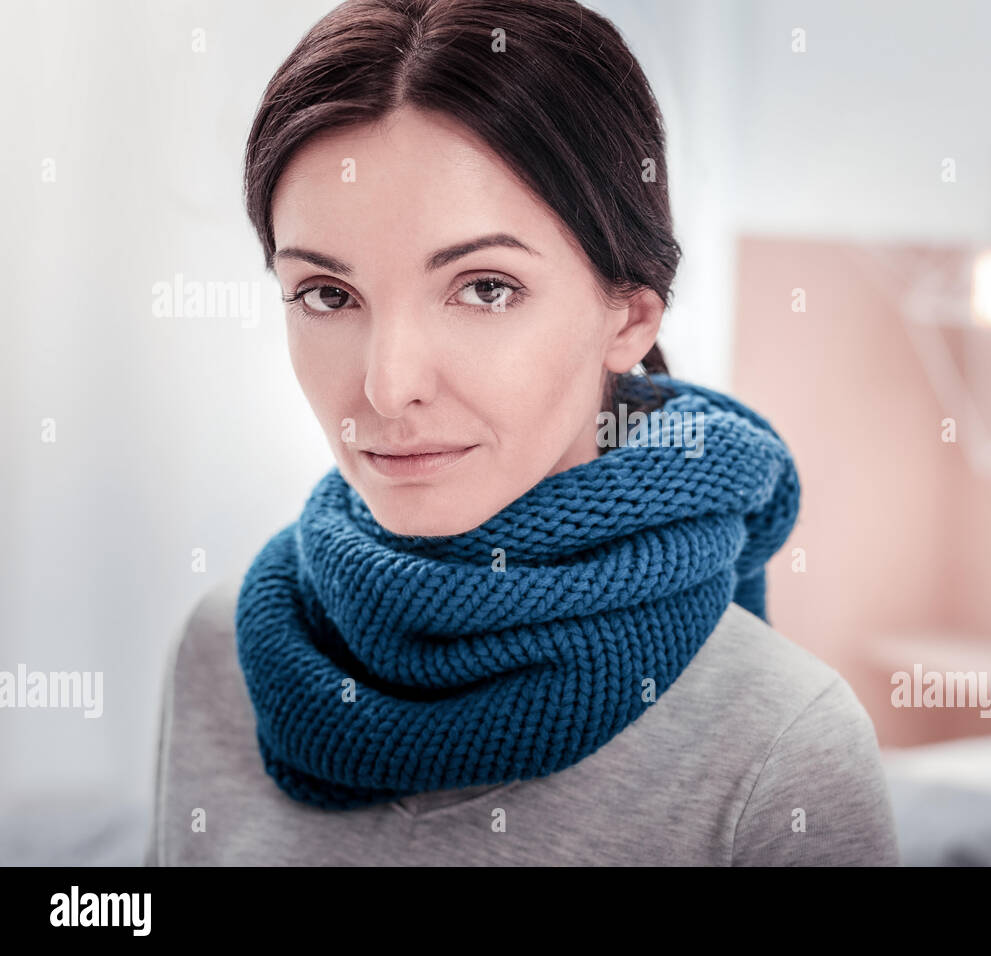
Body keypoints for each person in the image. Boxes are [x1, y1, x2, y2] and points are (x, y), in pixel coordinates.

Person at [145, 0, 901, 866]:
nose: (389, 389)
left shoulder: (783, 746)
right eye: (327, 294)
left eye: (486, 288)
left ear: (630, 317)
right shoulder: (221, 647)